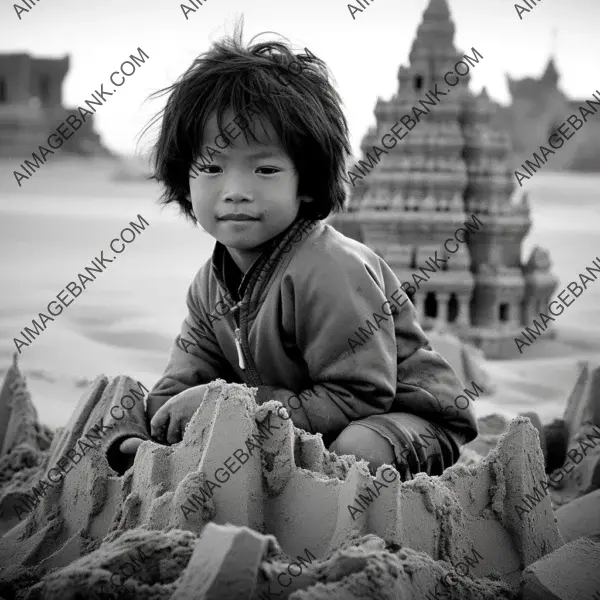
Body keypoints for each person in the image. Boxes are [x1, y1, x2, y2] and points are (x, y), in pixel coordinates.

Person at [121, 23, 478, 479]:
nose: (235, 191)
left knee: (355, 449)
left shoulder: (330, 269)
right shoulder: (209, 286)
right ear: (184, 184)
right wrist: (157, 427)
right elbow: (185, 377)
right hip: (298, 410)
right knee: (123, 403)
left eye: (265, 169)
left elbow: (361, 394)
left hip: (403, 415)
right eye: (211, 167)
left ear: (306, 185)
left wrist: (236, 405)